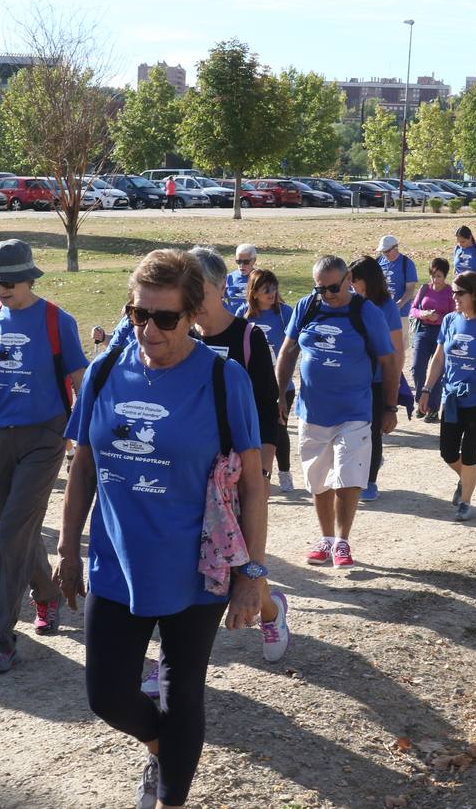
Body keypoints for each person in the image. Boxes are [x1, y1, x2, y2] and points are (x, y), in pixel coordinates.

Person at [54, 249, 269, 809]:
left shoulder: (225, 380)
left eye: (165, 318)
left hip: (196, 567)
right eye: (137, 315)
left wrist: (253, 572)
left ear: (194, 313)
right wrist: (68, 549)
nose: (148, 329)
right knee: (107, 696)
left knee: (182, 693)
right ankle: (162, 749)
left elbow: (252, 485)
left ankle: (171, 797)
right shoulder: (105, 370)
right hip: (115, 562)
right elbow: (82, 465)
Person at [0, 239, 89, 674]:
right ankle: (45, 594)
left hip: (45, 437)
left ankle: (0, 640)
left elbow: (81, 381)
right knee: (17, 531)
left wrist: (82, 444)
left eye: (9, 282)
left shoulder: (56, 320)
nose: (1, 289)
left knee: (8, 537)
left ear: (30, 277)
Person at [185, 248, 288, 660]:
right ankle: (173, 653)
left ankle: (270, 610)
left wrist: (259, 475)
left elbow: (267, 410)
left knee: (240, 560)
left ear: (218, 288)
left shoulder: (248, 338)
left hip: (238, 470)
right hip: (192, 469)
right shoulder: (180, 335)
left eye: (195, 286)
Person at [274, 256, 398, 569]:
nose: (327, 294)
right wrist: (277, 396)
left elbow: (389, 362)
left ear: (348, 280)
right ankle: (326, 540)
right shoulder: (308, 306)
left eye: (332, 287)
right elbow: (288, 350)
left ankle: (343, 541)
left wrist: (389, 407)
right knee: (318, 479)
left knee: (349, 474)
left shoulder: (365, 311)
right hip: (313, 409)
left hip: (355, 409)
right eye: (320, 288)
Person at [417, 272, 476, 522]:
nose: (453, 296)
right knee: (447, 452)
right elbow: (438, 359)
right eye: (453, 292)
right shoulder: (449, 320)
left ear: (474, 294)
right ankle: (465, 479)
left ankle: (466, 501)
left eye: (459, 293)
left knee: (469, 452)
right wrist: (426, 389)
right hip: (452, 397)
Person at [349, 256, 405, 503]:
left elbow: (397, 349)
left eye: (354, 280)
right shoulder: (351, 303)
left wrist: (395, 383)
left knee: (373, 433)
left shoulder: (387, 306)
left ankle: (369, 481)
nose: (350, 285)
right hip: (354, 378)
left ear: (367, 280)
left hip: (378, 379)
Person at [239, 268, 296, 492]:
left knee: (278, 430)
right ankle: (260, 477)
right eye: (266, 289)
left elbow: (294, 346)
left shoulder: (285, 313)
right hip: (252, 386)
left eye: (274, 287)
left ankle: (284, 472)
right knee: (255, 432)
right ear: (254, 293)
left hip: (282, 386)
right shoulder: (244, 314)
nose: (272, 292)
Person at [409, 258, 454, 422]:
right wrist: (423, 314)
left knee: (437, 370)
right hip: (423, 331)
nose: (435, 280)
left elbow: (453, 316)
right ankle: (421, 402)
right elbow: (413, 310)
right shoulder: (424, 289)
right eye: (433, 275)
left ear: (445, 275)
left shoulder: (450, 292)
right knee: (416, 368)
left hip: (442, 333)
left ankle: (433, 408)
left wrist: (438, 318)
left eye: (439, 276)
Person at [377, 234, 419, 316]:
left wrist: (399, 305)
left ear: (396, 247)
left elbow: (410, 290)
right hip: (381, 312)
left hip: (402, 313)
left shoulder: (407, 264)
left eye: (387, 251)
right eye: (383, 252)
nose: (385, 254)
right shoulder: (378, 262)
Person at [224, 244, 257, 314]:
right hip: (234, 322)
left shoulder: (261, 278)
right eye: (238, 261)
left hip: (254, 321)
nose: (241, 265)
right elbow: (217, 300)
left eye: (246, 262)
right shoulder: (229, 278)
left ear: (254, 260)